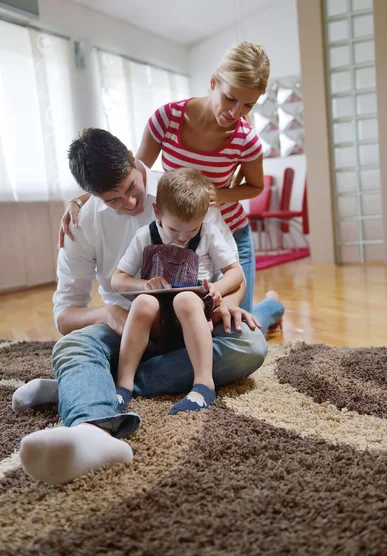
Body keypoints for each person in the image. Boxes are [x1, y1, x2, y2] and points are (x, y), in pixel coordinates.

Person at [14, 128, 283, 486]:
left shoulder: (183, 192)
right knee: (73, 344)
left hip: (193, 319)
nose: (128, 203)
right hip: (132, 328)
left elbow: (232, 273)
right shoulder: (82, 221)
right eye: (112, 199)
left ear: (132, 157)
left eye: (130, 187)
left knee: (250, 346)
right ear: (91, 195)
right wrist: (109, 313)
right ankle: (92, 430)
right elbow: (65, 316)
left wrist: (227, 303)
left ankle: (84, 385)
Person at [60, 41, 271, 313]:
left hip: (228, 228)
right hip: (180, 232)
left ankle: (272, 306)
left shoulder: (247, 140)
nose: (235, 113)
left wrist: (221, 195)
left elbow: (255, 186)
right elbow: (131, 171)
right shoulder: (168, 118)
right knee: (188, 318)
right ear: (213, 82)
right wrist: (80, 200)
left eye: (248, 106)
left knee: (239, 317)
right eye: (230, 98)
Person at [111, 168, 244, 415]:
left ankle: (204, 385)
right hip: (158, 322)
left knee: (185, 299)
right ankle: (123, 386)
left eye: (191, 230)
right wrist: (144, 285)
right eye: (174, 230)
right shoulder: (145, 235)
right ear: (158, 212)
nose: (182, 238)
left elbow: (236, 273)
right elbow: (117, 280)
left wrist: (218, 287)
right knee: (142, 303)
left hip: (194, 315)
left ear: (204, 217)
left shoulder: (209, 233)